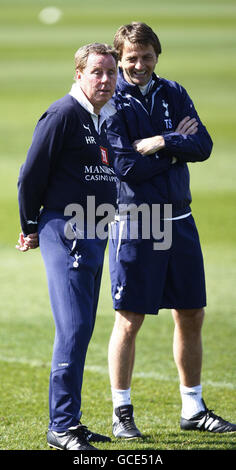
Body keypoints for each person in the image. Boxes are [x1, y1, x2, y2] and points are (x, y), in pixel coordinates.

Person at [106, 22, 236, 438]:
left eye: (146, 57)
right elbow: (127, 168)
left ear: (156, 56)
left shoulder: (174, 92)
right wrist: (176, 147)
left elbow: (204, 146)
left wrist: (162, 140)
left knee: (192, 313)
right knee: (129, 318)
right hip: (136, 220)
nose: (139, 65)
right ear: (119, 59)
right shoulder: (110, 101)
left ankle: (193, 408)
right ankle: (121, 412)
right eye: (130, 58)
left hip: (179, 218)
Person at [16, 43, 118, 450]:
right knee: (74, 328)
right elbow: (30, 175)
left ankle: (71, 421)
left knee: (83, 329)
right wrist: (29, 225)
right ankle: (60, 427)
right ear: (79, 73)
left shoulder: (98, 119)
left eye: (111, 72)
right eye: (97, 72)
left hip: (95, 231)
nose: (106, 80)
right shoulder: (63, 114)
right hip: (67, 230)